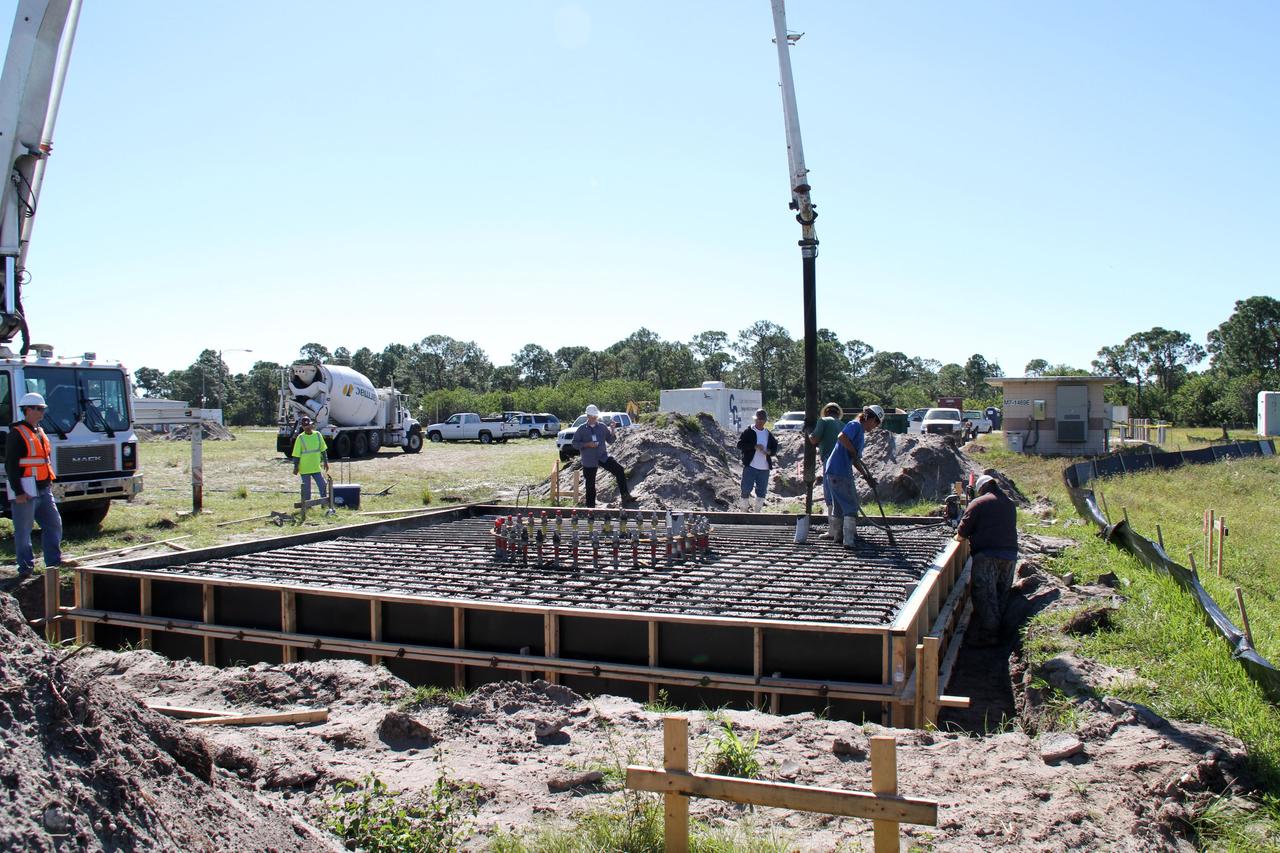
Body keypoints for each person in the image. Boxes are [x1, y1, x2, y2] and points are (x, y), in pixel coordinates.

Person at [6, 392, 68, 577]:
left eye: (43, 409)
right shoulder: (17, 433)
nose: (42, 412)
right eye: (39, 409)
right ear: (28, 410)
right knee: (23, 531)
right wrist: (18, 491)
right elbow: (11, 465)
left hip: (43, 488)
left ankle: (53, 563)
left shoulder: (40, 431)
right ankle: (25, 568)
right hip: (25, 490)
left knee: (54, 524)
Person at [954, 474, 1019, 646]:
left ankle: (989, 636)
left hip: (987, 555)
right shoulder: (1009, 504)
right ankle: (1003, 633)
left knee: (984, 595)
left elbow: (962, 532)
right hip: (1010, 556)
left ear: (981, 489)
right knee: (1001, 594)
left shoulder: (978, 503)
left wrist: (957, 537)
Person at [822, 404, 883, 547]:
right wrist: (853, 450)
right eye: (875, 423)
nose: (874, 427)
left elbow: (855, 460)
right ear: (870, 418)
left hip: (834, 469)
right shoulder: (855, 425)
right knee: (851, 505)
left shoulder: (860, 431)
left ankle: (838, 536)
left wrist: (867, 477)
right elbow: (842, 437)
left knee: (838, 505)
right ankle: (848, 541)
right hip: (840, 470)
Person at [572, 405, 633, 508]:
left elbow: (610, 441)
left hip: (602, 456)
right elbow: (574, 443)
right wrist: (587, 444)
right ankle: (590, 508)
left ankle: (625, 495)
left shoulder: (602, 427)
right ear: (588, 416)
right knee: (590, 485)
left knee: (619, 470)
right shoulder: (581, 429)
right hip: (589, 460)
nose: (594, 418)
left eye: (595, 416)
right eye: (592, 416)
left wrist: (613, 430)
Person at [807, 402, 845, 538]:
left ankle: (833, 531)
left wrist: (808, 432)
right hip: (843, 463)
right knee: (840, 496)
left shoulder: (823, 420)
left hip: (829, 461)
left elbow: (814, 439)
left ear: (826, 412)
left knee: (830, 497)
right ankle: (843, 530)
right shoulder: (843, 425)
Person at [736, 408, 779, 512]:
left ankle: (757, 513)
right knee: (745, 490)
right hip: (750, 466)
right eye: (757, 419)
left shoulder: (768, 434)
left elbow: (774, 449)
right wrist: (754, 446)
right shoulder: (748, 431)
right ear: (755, 419)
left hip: (764, 468)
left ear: (765, 421)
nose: (759, 422)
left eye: (761, 420)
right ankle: (743, 512)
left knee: (761, 492)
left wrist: (769, 452)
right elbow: (740, 445)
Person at [291, 416, 330, 505]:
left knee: (323, 485)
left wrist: (326, 462)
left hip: (316, 467)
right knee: (306, 490)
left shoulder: (318, 435)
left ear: (312, 425)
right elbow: (296, 455)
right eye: (305, 427)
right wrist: (295, 467)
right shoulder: (300, 438)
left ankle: (324, 504)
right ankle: (307, 507)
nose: (307, 428)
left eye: (308, 426)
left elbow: (323, 450)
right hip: (304, 469)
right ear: (302, 427)